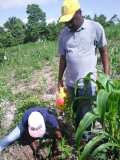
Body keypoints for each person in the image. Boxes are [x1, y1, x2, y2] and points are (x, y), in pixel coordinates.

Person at [58, 0, 110, 131]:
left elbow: (104, 51)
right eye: (66, 21)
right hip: (71, 83)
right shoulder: (63, 34)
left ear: (79, 13)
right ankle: (77, 133)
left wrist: (106, 76)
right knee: (74, 111)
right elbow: (63, 58)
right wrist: (59, 79)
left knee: (86, 114)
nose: (68, 24)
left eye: (70, 20)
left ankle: (85, 139)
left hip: (88, 83)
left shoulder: (95, 27)